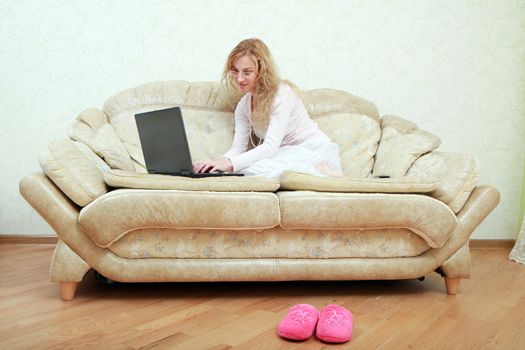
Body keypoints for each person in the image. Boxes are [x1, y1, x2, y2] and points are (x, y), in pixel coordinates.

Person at [193, 38, 343, 179]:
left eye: (247, 72)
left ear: (262, 71)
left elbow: (270, 147)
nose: (239, 79)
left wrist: (229, 164)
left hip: (313, 150)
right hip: (284, 154)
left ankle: (320, 170)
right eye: (235, 71)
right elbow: (238, 149)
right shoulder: (244, 105)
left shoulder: (282, 94)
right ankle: (308, 172)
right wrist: (213, 164)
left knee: (244, 168)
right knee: (240, 168)